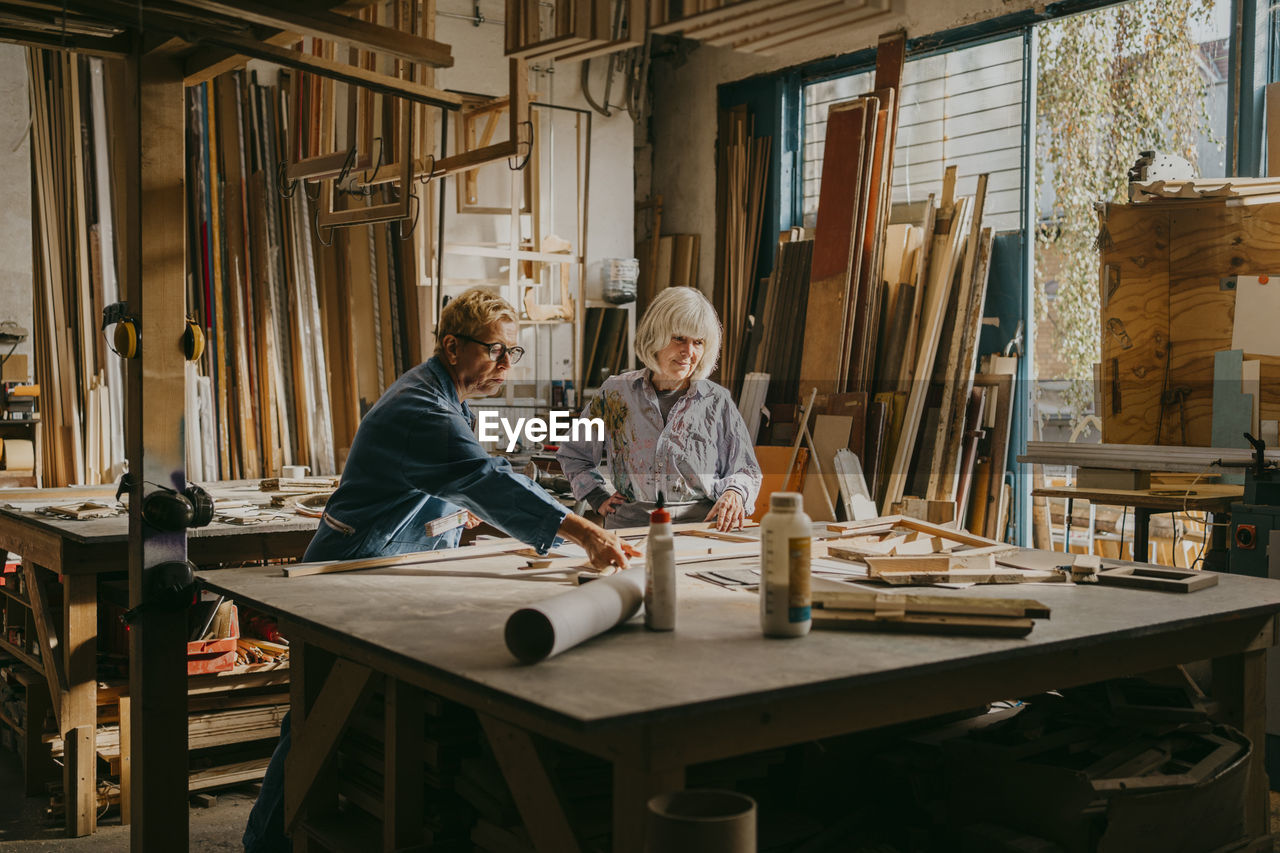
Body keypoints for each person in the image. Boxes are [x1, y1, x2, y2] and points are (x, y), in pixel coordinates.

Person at [243, 287, 628, 853]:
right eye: (496, 350)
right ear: (452, 346)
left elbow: (447, 483)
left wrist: (456, 516)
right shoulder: (420, 406)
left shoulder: (448, 397)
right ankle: (264, 846)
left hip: (392, 574)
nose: (504, 364)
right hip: (350, 575)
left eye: (512, 353)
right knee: (314, 720)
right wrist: (585, 531)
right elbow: (485, 478)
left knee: (363, 718)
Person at [558, 286, 762, 531]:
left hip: (700, 528)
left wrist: (735, 493)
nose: (689, 352)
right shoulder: (615, 393)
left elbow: (745, 470)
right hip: (630, 527)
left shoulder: (716, 401)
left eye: (698, 342)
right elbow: (574, 454)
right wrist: (597, 497)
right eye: (679, 338)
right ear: (655, 337)